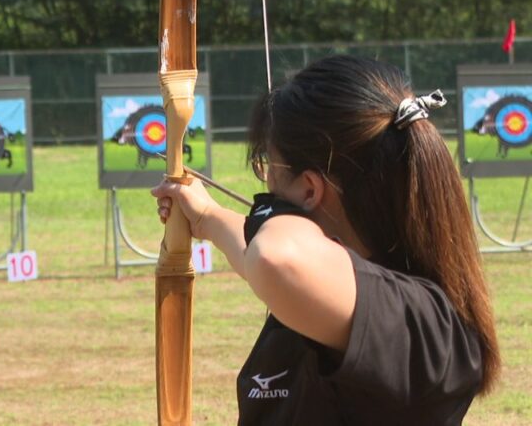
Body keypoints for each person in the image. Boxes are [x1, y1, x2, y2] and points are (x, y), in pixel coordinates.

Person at [151, 55, 500, 425]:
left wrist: (273, 214)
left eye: (268, 167)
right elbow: (258, 254)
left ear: (310, 189)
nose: (266, 184)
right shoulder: (337, 285)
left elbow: (275, 258)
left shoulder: (425, 327)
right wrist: (206, 217)